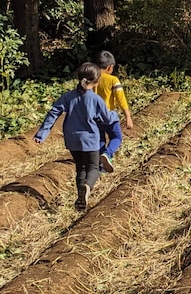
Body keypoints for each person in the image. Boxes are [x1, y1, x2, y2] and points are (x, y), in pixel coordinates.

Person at [33, 62, 123, 211]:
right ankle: (87, 188)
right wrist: (115, 115)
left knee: (80, 168)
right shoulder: (95, 100)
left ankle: (80, 197)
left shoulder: (68, 97)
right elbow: (107, 118)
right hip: (90, 140)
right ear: (97, 81)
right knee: (94, 167)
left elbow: (54, 112)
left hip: (72, 140)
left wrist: (42, 133)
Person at [94, 50, 133, 170]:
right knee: (116, 138)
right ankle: (108, 153)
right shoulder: (113, 80)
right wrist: (128, 116)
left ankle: (100, 167)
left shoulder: (92, 79)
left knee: (100, 140)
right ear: (110, 67)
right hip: (109, 115)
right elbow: (121, 99)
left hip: (95, 116)